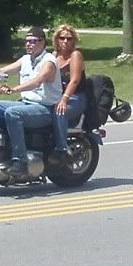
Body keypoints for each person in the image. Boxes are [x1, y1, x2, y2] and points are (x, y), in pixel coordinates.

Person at [0, 27, 62, 176]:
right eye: (26, 41)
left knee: (12, 113)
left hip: (45, 109)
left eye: (32, 41)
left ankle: (20, 161)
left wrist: (14, 90)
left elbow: (38, 81)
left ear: (42, 42)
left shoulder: (49, 61)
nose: (28, 44)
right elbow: (1, 72)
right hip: (26, 104)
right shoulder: (26, 59)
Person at [50, 24, 88, 164]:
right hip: (57, 97)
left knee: (59, 112)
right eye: (62, 38)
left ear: (74, 40)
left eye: (69, 38)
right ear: (57, 39)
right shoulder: (54, 55)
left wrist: (64, 100)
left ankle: (62, 150)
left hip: (76, 98)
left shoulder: (75, 55)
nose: (65, 41)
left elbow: (74, 80)